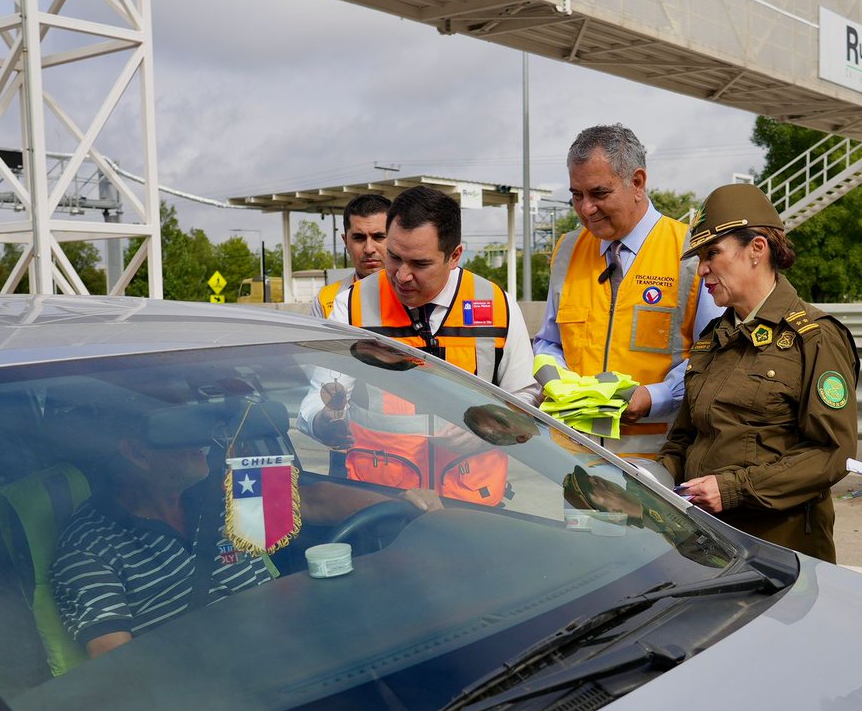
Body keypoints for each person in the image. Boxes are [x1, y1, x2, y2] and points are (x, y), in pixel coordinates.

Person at [51, 400, 432, 660]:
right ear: (136, 453)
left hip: (299, 649)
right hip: (223, 693)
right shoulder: (89, 547)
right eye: (180, 434)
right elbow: (114, 662)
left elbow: (314, 499)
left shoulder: (219, 491)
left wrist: (408, 507)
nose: (203, 443)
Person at [655, 184, 859, 561]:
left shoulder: (814, 337)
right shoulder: (712, 338)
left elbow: (832, 453)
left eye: (712, 253)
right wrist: (651, 479)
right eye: (699, 257)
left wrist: (732, 490)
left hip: (779, 550)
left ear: (757, 249)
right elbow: (685, 438)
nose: (701, 270)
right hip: (707, 541)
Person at [301, 184, 539, 504]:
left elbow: (525, 398)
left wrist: (486, 434)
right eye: (394, 257)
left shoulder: (497, 306)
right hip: (383, 500)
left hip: (472, 502)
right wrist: (324, 422)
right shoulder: (352, 307)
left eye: (420, 264)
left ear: (454, 256)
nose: (402, 275)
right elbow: (316, 400)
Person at [533, 123, 720, 459]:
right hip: (572, 458)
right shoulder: (567, 251)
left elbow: (714, 359)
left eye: (599, 194)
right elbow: (549, 341)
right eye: (577, 195)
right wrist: (555, 381)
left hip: (657, 464)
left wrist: (654, 397)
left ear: (637, 182)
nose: (586, 209)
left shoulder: (692, 253)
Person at [310, 193, 392, 319]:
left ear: (396, 238)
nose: (369, 249)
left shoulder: (416, 295)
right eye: (359, 238)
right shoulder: (325, 300)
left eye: (379, 237)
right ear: (345, 242)